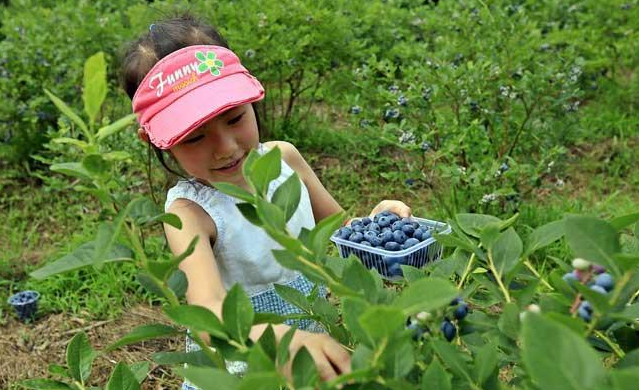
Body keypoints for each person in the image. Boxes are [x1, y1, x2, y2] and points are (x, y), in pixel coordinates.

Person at [119, 14, 412, 389]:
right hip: (244, 371)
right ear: (158, 141)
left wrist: (377, 225)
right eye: (195, 138)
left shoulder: (285, 160)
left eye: (235, 118)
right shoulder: (190, 213)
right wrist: (281, 345)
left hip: (310, 352)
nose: (225, 147)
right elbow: (207, 315)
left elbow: (341, 236)